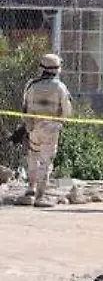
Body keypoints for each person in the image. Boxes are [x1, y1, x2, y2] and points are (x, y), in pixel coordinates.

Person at [16, 54, 72, 208]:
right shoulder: (60, 87)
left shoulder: (32, 85)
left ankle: (30, 190)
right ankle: (41, 196)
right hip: (51, 128)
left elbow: (24, 107)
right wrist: (60, 123)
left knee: (33, 156)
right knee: (46, 161)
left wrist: (28, 126)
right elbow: (67, 109)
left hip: (34, 128)